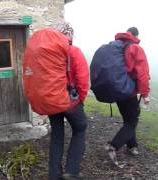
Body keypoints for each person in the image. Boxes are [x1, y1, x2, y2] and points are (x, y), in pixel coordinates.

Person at [48, 22, 90, 180]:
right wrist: (81, 99)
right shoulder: (73, 51)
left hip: (52, 100)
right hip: (69, 101)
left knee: (57, 136)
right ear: (70, 35)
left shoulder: (47, 54)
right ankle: (71, 171)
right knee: (80, 129)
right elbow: (83, 80)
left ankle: (54, 175)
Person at [105, 27, 151, 164]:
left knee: (128, 119)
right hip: (129, 91)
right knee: (132, 121)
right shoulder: (135, 48)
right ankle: (113, 146)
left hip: (117, 90)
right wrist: (145, 94)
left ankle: (132, 146)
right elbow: (142, 73)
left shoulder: (116, 47)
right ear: (136, 35)